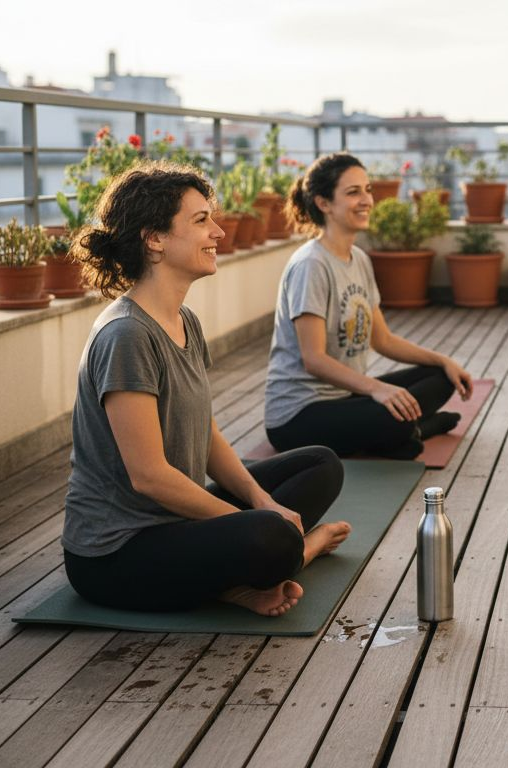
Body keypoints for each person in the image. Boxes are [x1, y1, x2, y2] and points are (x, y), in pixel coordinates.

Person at [63, 162, 352, 618]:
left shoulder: (184, 320)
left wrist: (263, 501)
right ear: (153, 239)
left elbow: (207, 433)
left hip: (174, 524)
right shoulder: (126, 335)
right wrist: (253, 522)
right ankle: (298, 555)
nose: (218, 232)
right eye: (201, 221)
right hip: (116, 554)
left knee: (321, 464)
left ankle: (233, 581)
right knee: (270, 537)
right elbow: (150, 476)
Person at [264, 153, 472, 459]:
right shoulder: (311, 265)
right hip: (299, 415)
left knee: (441, 378)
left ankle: (408, 431)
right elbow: (314, 360)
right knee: (394, 417)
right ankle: (414, 430)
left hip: (345, 396)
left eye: (367, 189)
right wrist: (376, 389)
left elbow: (383, 339)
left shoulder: (359, 259)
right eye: (353, 192)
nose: (366, 200)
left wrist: (443, 360)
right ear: (324, 203)